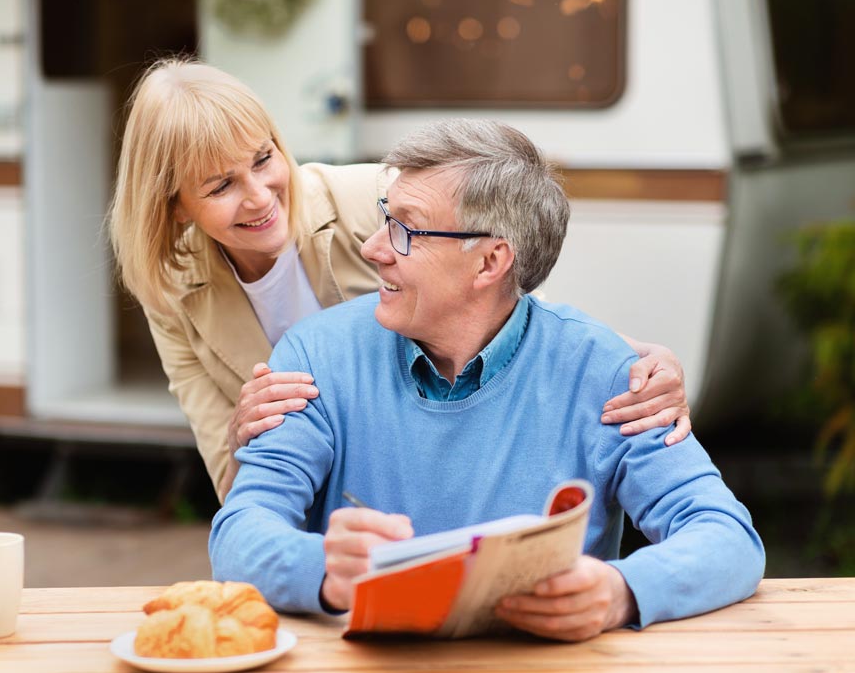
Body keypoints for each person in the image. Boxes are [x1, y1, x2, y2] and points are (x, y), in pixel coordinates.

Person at [209, 119, 764, 641]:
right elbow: (240, 531)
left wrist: (624, 592)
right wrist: (324, 570)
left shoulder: (608, 373)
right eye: (385, 217)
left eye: (405, 230)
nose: (374, 248)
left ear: (489, 262)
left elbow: (726, 535)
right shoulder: (315, 356)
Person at [108, 57, 693, 503]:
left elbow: (501, 286)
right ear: (175, 207)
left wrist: (629, 361)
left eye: (263, 160)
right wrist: (244, 433)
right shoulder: (171, 288)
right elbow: (235, 483)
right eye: (219, 186)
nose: (260, 197)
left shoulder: (379, 199)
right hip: (331, 515)